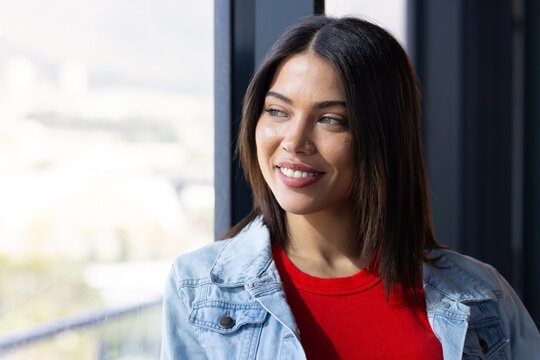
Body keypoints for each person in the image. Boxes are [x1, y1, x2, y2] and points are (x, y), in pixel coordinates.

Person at [161, 15, 540, 359]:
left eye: (330, 120)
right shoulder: (200, 291)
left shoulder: (482, 297)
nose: (294, 141)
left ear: (382, 137)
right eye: (277, 111)